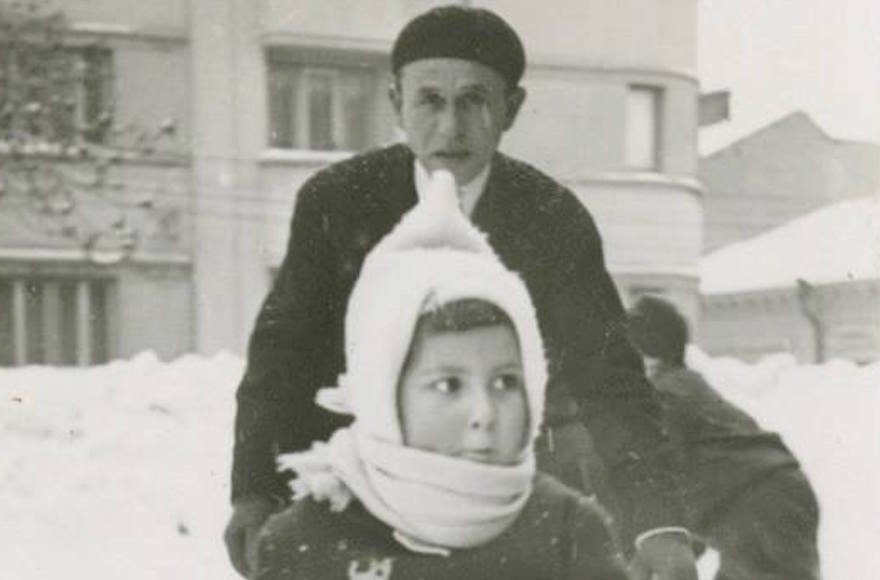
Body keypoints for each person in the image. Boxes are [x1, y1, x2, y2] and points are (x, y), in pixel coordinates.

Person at [225, 5, 696, 580]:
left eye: (474, 101)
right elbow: (283, 357)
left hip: (497, 499)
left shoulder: (552, 218)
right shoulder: (337, 202)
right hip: (362, 496)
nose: (451, 127)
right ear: (396, 100)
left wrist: (657, 523)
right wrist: (254, 490)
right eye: (430, 100)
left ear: (511, 108)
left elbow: (611, 381)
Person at [252, 170, 629, 580]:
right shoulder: (304, 541)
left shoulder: (568, 533)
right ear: (384, 394)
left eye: (505, 382)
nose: (485, 412)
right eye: (449, 385)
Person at [626, 295, 821, 580]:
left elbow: (660, 490)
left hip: (757, 507)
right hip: (776, 496)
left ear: (649, 357)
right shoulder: (687, 388)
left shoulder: (663, 398)